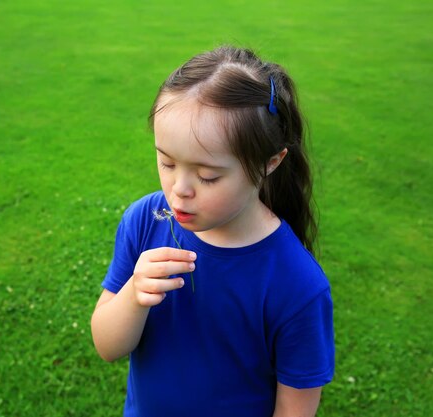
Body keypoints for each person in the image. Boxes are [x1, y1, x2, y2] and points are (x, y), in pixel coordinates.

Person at [91, 45, 334, 417]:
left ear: (270, 162)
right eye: (167, 162)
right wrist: (133, 296)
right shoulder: (145, 220)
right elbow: (108, 346)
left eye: (208, 176)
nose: (180, 190)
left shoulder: (296, 284)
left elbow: (295, 408)